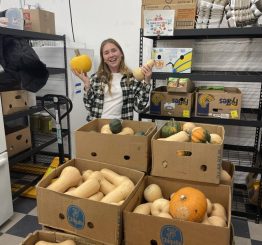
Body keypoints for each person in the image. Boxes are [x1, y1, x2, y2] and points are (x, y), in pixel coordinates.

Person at [72, 38, 153, 121]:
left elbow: (139, 108)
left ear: (121, 53)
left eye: (114, 50)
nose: (111, 55)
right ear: (103, 59)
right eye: (106, 53)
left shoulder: (131, 79)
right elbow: (89, 106)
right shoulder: (96, 78)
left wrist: (147, 81)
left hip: (121, 128)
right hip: (98, 128)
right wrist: (87, 84)